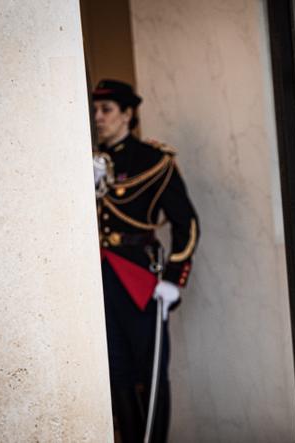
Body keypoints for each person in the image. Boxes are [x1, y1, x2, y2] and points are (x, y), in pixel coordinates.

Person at [91, 79, 199, 442]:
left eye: (106, 110)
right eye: (95, 110)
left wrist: (173, 278)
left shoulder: (153, 160)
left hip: (139, 277)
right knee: (115, 370)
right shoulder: (86, 162)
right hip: (98, 278)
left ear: (127, 113)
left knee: (148, 371)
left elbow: (187, 223)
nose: (98, 117)